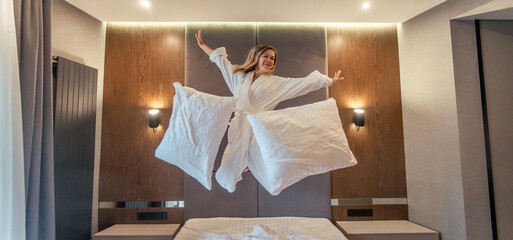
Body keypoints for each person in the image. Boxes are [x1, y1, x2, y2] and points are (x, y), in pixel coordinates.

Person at [195, 30, 344, 194]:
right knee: (226, 173)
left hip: (259, 129)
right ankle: (242, 162)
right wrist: (203, 46)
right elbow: (220, 61)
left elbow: (303, 84)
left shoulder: (276, 83)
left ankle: (249, 161)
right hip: (239, 128)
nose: (269, 60)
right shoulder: (239, 76)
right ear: (256, 57)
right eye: (265, 56)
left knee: (270, 172)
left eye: (272, 58)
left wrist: (329, 80)